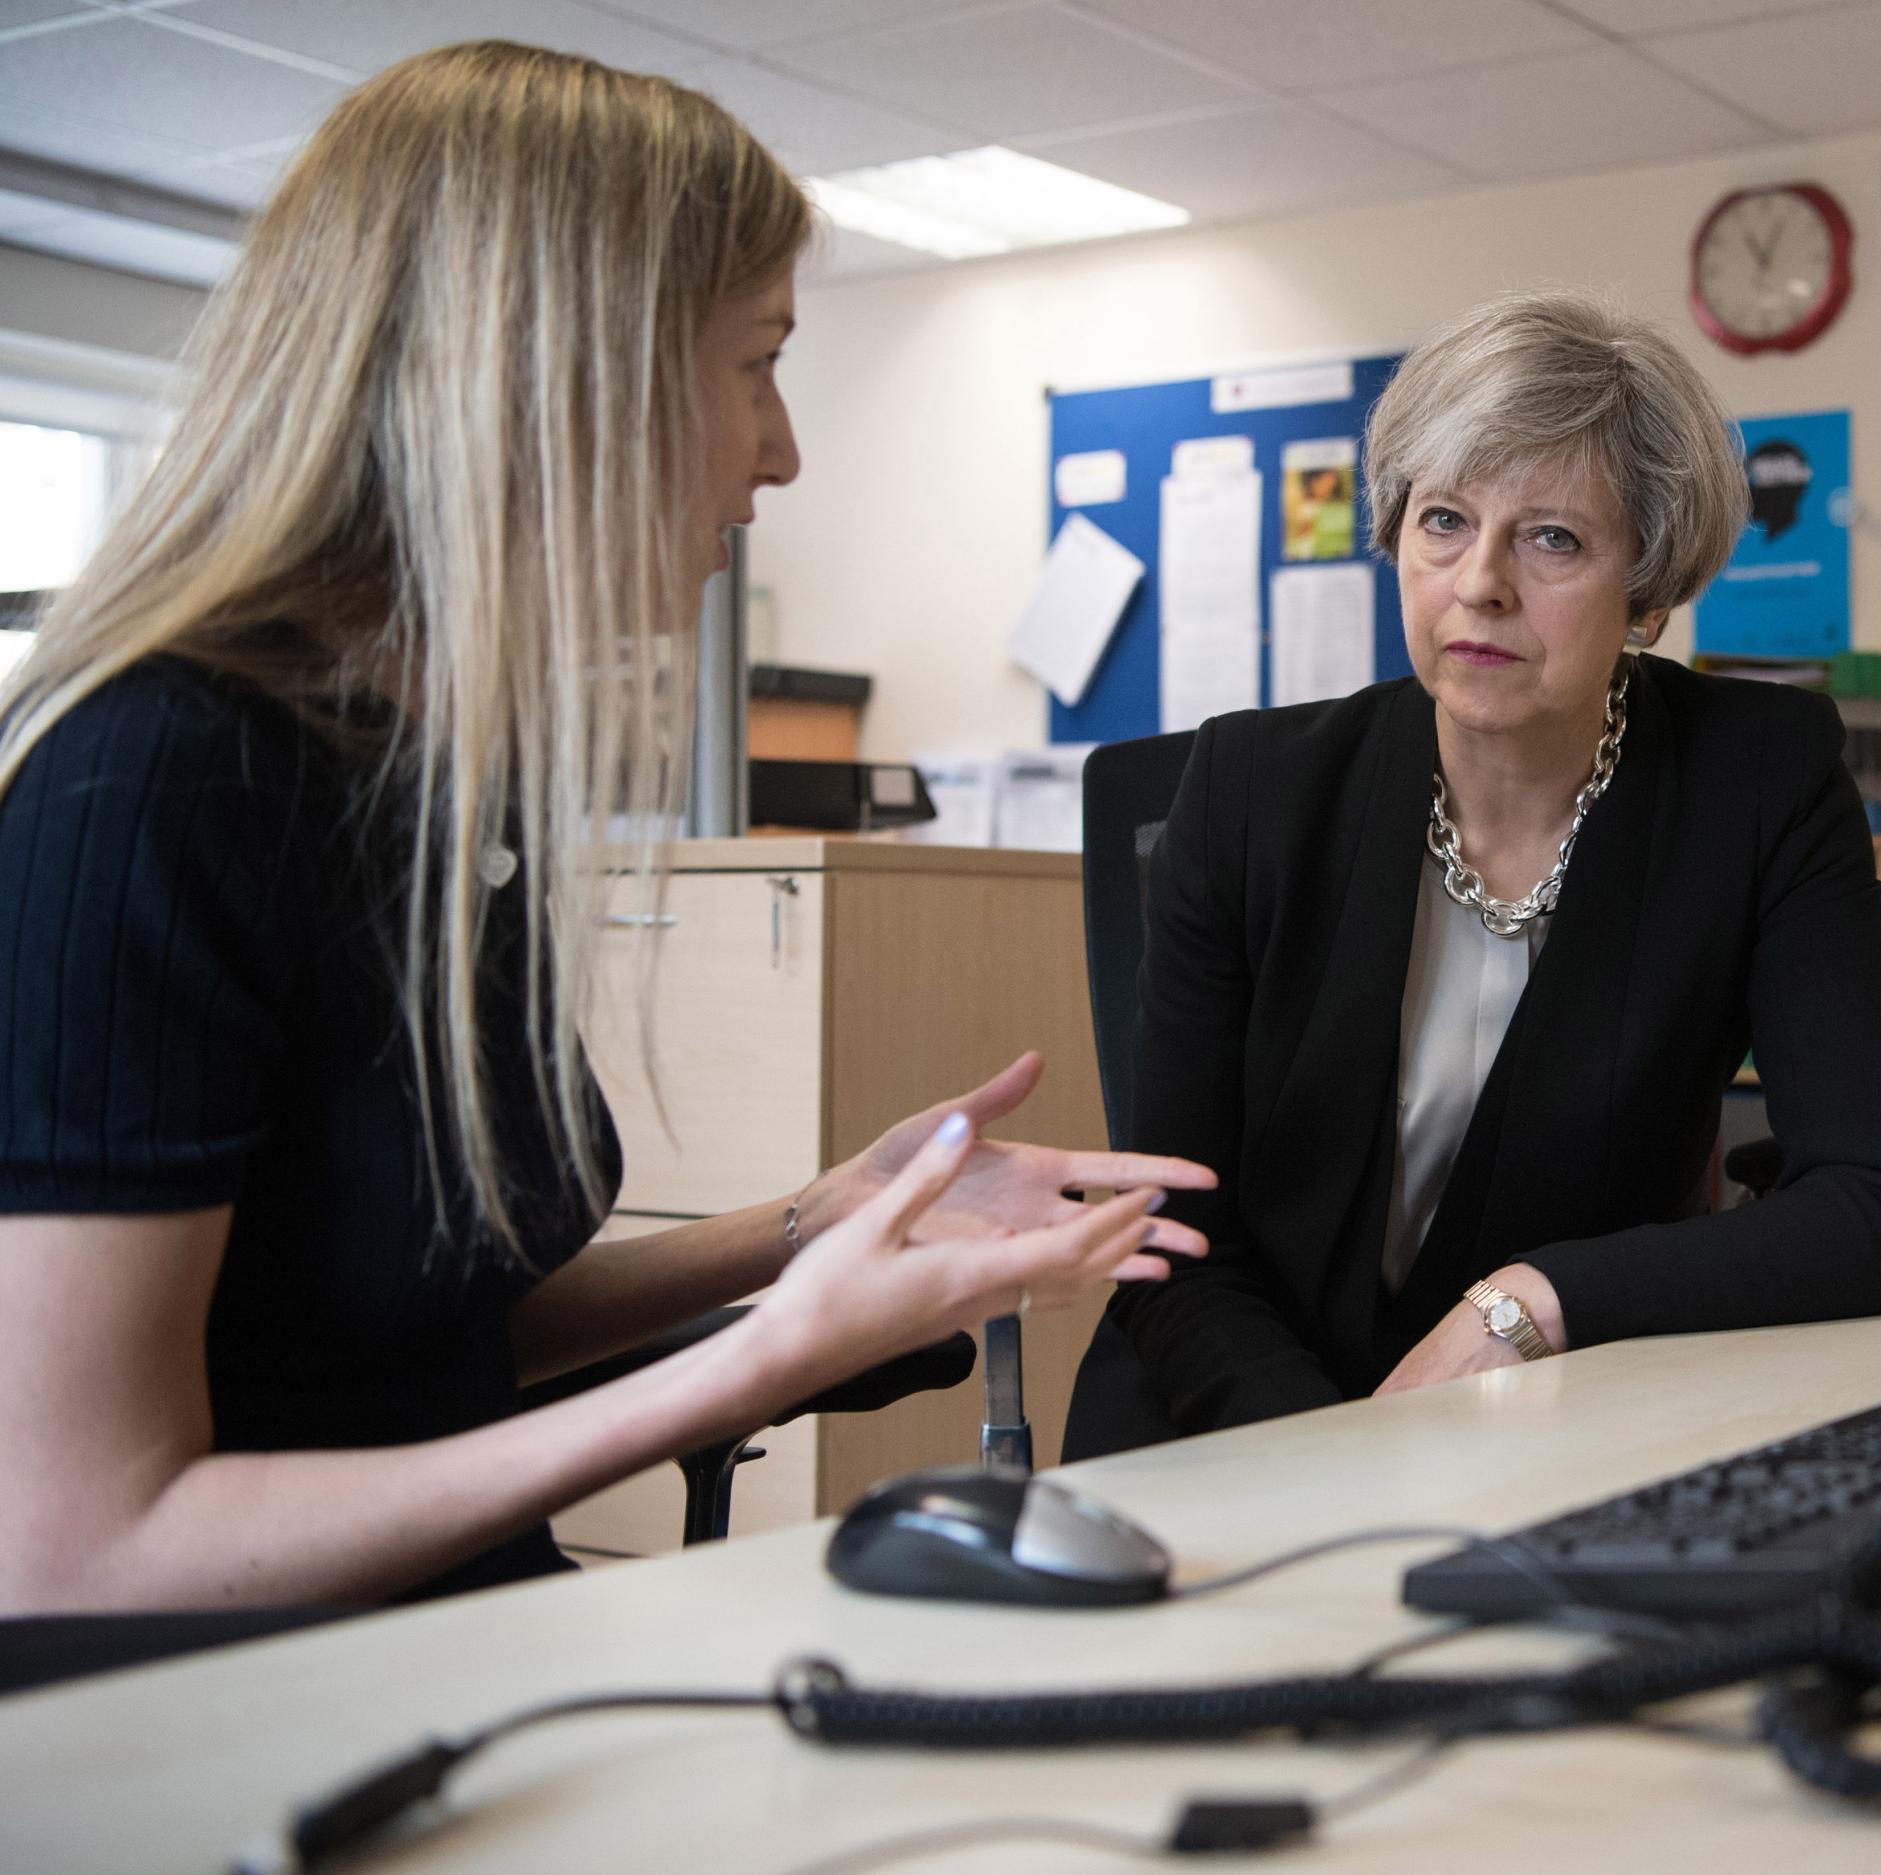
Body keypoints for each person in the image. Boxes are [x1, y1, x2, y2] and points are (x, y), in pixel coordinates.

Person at [0, 42, 1210, 1615]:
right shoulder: (151, 780)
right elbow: (76, 1545)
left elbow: (416, 1336)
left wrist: (813, 1222)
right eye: (756, 363)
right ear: (565, 380)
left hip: (462, 1635)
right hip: (235, 1716)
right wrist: (743, 1371)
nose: (779, 449)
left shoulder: (432, 778)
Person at [1063, 290, 1881, 1459]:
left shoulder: (1756, 783)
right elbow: (1174, 1247)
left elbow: (1880, 1207)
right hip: (1219, 1434)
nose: (1478, 582)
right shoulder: (1250, 793)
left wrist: (1534, 1302)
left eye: (1552, 539)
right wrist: (1336, 1469)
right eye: (1443, 521)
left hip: (1537, 1439)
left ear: (1646, 594)